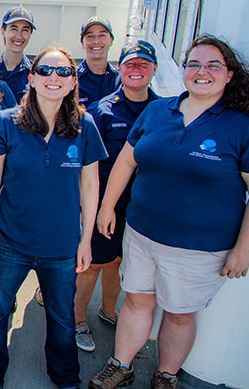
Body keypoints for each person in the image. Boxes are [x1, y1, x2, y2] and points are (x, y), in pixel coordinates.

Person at [89, 35, 249, 389]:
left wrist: (244, 249)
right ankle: (120, 365)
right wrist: (107, 207)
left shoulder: (245, 125)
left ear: (229, 75)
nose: (202, 72)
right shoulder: (157, 110)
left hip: (199, 247)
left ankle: (166, 375)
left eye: (213, 65)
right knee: (137, 302)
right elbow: (126, 161)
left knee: (180, 315)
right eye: (194, 64)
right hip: (140, 234)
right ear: (183, 72)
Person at [0, 46, 107, 389]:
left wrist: (85, 239)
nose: (54, 78)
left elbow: (90, 185)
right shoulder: (7, 122)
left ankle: (65, 376)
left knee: (62, 318)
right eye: (45, 71)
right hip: (10, 241)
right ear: (31, 80)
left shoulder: (85, 125)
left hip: (61, 246)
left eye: (63, 72)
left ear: (72, 82)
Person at [73, 40, 161, 353]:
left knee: (118, 262)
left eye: (143, 64)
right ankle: (78, 320)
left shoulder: (164, 110)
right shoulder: (101, 111)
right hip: (105, 204)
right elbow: (87, 165)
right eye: (130, 64)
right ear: (119, 69)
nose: (136, 70)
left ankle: (108, 310)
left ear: (153, 69)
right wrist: (91, 209)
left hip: (142, 206)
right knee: (93, 264)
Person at [77, 16, 120, 106]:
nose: (96, 41)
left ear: (111, 40)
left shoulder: (121, 80)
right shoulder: (72, 79)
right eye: (90, 36)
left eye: (102, 36)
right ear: (82, 43)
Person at [0, 6, 36, 103]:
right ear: (3, 31)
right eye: (14, 29)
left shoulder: (34, 73)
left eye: (25, 30)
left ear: (30, 34)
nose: (19, 36)